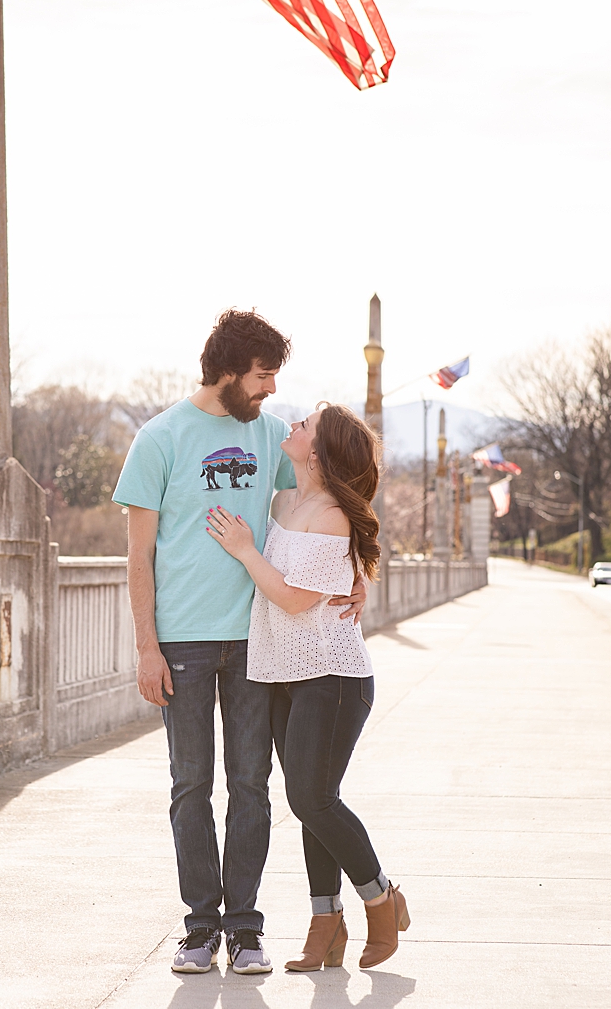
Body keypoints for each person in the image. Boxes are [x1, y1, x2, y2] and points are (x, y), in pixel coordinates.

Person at [113, 309, 366, 976]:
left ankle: (247, 931)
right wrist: (146, 646)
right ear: (227, 371)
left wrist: (357, 568)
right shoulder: (160, 438)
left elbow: (334, 495)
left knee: (251, 786)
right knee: (190, 785)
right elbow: (138, 557)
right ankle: (200, 929)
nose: (269, 392)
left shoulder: (273, 435)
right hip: (184, 646)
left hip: (259, 643)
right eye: (260, 377)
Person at [203, 403, 412, 972]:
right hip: (282, 675)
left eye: (306, 427)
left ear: (318, 453)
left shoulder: (332, 516)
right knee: (313, 803)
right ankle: (326, 924)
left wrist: (245, 550)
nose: (293, 426)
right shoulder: (282, 502)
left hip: (333, 676)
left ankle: (380, 897)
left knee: (310, 798)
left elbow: (295, 598)